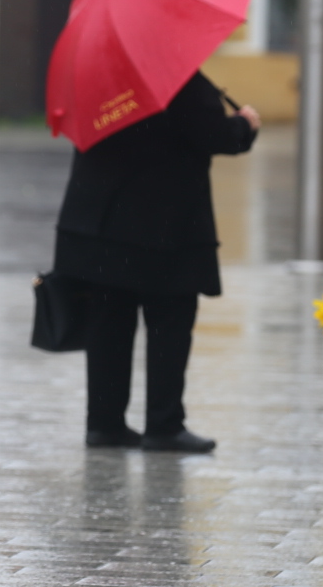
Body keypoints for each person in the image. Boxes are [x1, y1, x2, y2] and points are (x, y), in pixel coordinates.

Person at [54, 72, 259, 452]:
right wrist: (244, 125)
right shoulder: (174, 77)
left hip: (100, 221)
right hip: (163, 226)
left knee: (108, 323)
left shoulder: (96, 76)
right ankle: (164, 425)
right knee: (169, 324)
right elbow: (216, 135)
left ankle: (105, 423)